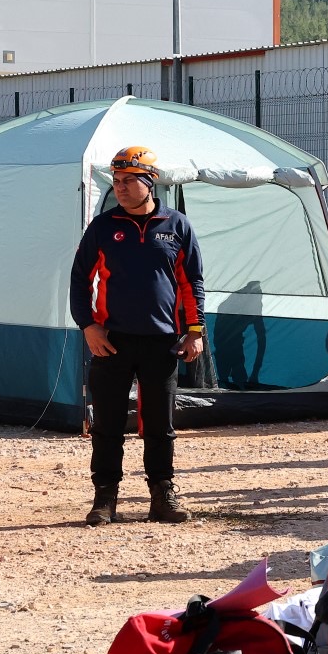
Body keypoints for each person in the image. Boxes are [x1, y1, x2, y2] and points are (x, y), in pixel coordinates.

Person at [69, 146, 205, 527]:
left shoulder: (177, 226)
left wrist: (195, 331)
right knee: (107, 423)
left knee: (160, 425)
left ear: (150, 182)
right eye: (116, 181)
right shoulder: (102, 227)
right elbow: (79, 280)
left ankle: (162, 495)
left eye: (129, 180)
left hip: (163, 342)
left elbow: (192, 282)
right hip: (111, 340)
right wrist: (88, 325)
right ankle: (105, 498)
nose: (120, 187)